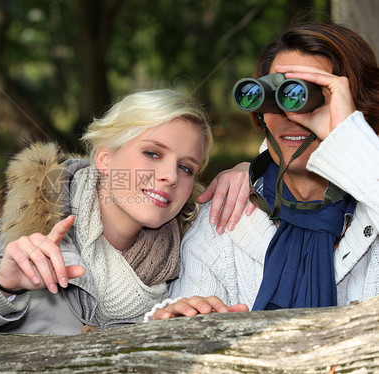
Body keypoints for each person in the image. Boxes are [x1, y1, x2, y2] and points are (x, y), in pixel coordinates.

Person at [0, 88, 251, 335]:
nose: (170, 176)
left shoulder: (189, 252)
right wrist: (0, 281)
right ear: (105, 159)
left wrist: (251, 170)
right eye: (152, 153)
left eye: (186, 167)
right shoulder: (32, 222)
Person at [147, 20, 379, 321]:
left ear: (359, 108)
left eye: (308, 95)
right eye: (276, 95)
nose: (291, 115)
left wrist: (348, 137)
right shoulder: (222, 223)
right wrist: (170, 325)